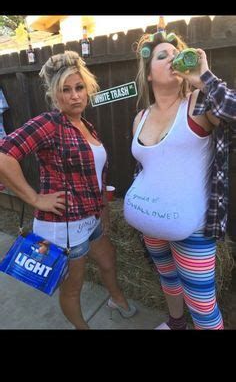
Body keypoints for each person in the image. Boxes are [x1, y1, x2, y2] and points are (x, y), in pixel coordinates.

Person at [0, 50, 137, 329]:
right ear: (54, 94)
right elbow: (4, 156)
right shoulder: (49, 124)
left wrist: (103, 211)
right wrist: (35, 198)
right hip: (63, 226)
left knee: (108, 261)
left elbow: (96, 174)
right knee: (72, 286)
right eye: (66, 90)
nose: (75, 96)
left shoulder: (85, 125)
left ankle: (116, 298)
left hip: (91, 218)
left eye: (79, 87)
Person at [123, 31, 236, 330]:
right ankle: (175, 324)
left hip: (192, 229)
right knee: (168, 279)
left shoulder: (199, 103)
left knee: (202, 306)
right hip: (150, 226)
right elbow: (149, 168)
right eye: (163, 55)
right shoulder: (141, 117)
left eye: (176, 52)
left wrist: (206, 78)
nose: (172, 57)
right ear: (148, 74)